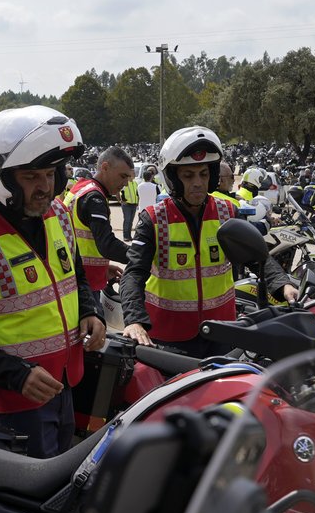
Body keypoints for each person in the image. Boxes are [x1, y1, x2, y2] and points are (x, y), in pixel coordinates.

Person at [0, 106, 106, 458]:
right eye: (31, 177)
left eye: (50, 174)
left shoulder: (57, 214)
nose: (44, 187)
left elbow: (76, 276)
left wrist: (90, 311)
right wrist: (17, 374)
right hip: (13, 403)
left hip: (66, 384)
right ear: (1, 175)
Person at [121, 128, 297, 356]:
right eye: (188, 175)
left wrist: (283, 285)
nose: (198, 183)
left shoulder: (228, 213)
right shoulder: (153, 219)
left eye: (204, 174)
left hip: (222, 332)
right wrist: (134, 320)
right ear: (172, 178)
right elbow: (134, 273)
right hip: (169, 337)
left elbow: (257, 257)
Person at [61, 145, 136, 293]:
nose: (126, 183)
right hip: (85, 286)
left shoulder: (80, 188)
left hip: (75, 278)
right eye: (123, 176)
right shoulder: (94, 197)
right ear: (105, 167)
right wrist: (142, 255)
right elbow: (107, 244)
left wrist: (102, 268)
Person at [119, 172, 140, 241]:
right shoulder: (125, 183)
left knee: (131, 221)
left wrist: (137, 202)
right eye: (133, 174)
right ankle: (125, 236)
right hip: (127, 204)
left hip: (134, 204)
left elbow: (137, 193)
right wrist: (120, 200)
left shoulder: (135, 183)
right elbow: (119, 191)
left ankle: (129, 236)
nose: (134, 175)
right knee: (127, 220)